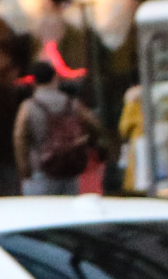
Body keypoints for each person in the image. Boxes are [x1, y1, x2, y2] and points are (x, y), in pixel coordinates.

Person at [11, 61, 105, 196]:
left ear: (34, 81)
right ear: (55, 78)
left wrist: (25, 169)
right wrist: (85, 142)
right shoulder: (72, 103)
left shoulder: (28, 107)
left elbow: (19, 138)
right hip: (69, 167)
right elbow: (94, 126)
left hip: (41, 169)